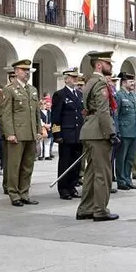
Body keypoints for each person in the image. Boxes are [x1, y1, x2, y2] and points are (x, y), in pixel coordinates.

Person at [77, 51, 120, 222]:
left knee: (91, 172)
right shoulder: (101, 83)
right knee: (103, 173)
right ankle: (100, 210)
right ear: (99, 65)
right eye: (108, 63)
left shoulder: (90, 82)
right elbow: (103, 111)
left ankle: (86, 208)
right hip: (99, 132)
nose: (111, 66)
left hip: (90, 129)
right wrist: (110, 133)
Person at [0, 59, 42, 207]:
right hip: (16, 134)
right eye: (24, 70)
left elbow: (36, 113)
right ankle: (14, 194)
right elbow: (6, 114)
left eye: (28, 70)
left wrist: (38, 130)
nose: (27, 73)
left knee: (28, 166)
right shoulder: (9, 89)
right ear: (16, 72)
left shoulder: (33, 90)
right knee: (14, 166)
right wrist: (9, 133)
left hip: (30, 134)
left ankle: (24, 193)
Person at [51, 68, 84, 200]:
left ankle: (72, 186)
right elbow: (55, 116)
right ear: (66, 79)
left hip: (78, 134)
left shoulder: (79, 95)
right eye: (72, 77)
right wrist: (57, 135)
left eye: (76, 77)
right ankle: (63, 188)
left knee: (76, 163)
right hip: (66, 134)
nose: (75, 79)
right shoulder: (60, 94)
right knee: (65, 163)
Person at [115, 72, 136, 190]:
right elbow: (116, 114)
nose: (133, 84)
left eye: (133, 81)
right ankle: (121, 180)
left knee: (130, 158)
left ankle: (128, 179)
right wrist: (117, 131)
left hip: (134, 131)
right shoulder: (119, 95)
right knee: (121, 157)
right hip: (124, 131)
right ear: (124, 83)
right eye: (131, 82)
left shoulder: (132, 96)